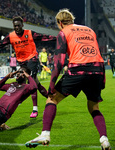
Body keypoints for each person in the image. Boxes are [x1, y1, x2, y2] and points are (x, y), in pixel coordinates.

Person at [26, 8, 111, 150]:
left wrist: (51, 85)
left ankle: (45, 134)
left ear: (59, 22)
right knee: (94, 106)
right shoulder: (90, 30)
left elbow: (59, 62)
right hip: (97, 70)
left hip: (78, 69)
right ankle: (104, 140)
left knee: (52, 99)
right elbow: (98, 53)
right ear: (72, 20)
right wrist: (102, 79)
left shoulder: (63, 32)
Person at [0, 16, 56, 118]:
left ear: (22, 25)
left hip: (32, 59)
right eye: (15, 26)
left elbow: (45, 37)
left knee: (32, 81)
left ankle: (35, 109)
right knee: (34, 84)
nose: (17, 27)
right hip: (21, 61)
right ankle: (50, 97)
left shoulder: (29, 33)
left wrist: (59, 38)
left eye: (18, 25)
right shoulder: (10, 36)